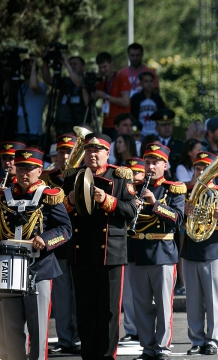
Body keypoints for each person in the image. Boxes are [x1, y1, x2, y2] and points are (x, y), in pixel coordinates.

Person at [62, 133, 137, 359]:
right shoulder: (71, 176)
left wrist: (106, 199)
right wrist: (70, 201)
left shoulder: (120, 176)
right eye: (88, 150)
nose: (92, 155)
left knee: (109, 311)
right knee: (84, 309)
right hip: (81, 250)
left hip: (110, 253)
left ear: (107, 153)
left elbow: (131, 212)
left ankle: (106, 356)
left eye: (97, 151)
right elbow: (56, 214)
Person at [0, 148, 71, 360]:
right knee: (10, 326)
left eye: (29, 169)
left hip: (39, 266)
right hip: (8, 265)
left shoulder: (50, 196)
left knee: (38, 326)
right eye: (20, 168)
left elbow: (65, 229)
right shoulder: (4, 196)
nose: (24, 174)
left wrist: (46, 240)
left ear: (39, 171)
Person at [129, 143, 185, 360]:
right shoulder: (134, 187)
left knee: (162, 305)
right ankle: (147, 347)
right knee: (141, 305)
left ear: (165, 165)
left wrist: (155, 204)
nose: (150, 167)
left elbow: (178, 219)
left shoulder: (174, 189)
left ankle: (162, 348)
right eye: (148, 162)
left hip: (162, 251)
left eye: (155, 163)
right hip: (137, 251)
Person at [181, 151, 218, 355]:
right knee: (193, 300)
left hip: (214, 251)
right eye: (198, 169)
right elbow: (174, 219)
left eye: (205, 169)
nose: (201, 173)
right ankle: (196, 340)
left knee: (213, 300)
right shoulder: (185, 191)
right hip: (191, 251)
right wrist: (184, 214)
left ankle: (213, 340)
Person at [42, 135, 82, 354]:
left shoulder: (84, 176)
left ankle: (78, 336)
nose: (65, 157)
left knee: (80, 293)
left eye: (69, 152)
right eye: (61, 152)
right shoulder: (47, 178)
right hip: (57, 243)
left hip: (79, 241)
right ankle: (65, 338)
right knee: (62, 295)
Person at [120, 158, 146, 344]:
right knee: (128, 294)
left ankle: (146, 329)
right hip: (127, 246)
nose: (132, 176)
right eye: (130, 172)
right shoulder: (123, 190)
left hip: (147, 248)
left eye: (136, 173)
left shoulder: (150, 190)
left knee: (146, 296)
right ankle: (130, 328)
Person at [43, 54, 85, 135]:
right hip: (61, 125)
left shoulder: (86, 81)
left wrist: (67, 64)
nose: (72, 66)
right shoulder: (65, 81)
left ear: (83, 67)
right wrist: (45, 61)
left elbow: (79, 84)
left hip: (77, 126)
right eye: (70, 63)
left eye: (75, 64)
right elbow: (48, 80)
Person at [94, 52, 131, 140]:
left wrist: (105, 96)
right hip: (106, 124)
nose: (102, 70)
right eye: (100, 67)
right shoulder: (101, 81)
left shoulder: (121, 77)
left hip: (120, 125)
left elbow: (125, 102)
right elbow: (88, 101)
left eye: (105, 67)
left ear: (111, 64)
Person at [16, 58, 47, 145]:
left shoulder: (42, 86)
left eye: (29, 67)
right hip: (20, 131)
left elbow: (33, 85)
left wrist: (33, 66)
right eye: (24, 67)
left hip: (35, 132)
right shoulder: (20, 87)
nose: (26, 68)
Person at [130, 71, 166, 137]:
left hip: (155, 133)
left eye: (151, 81)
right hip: (140, 133)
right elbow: (132, 115)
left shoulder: (157, 98)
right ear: (141, 83)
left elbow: (162, 114)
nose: (149, 84)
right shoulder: (136, 98)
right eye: (146, 81)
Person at [151, 108, 184, 174]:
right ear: (156, 127)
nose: (167, 127)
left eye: (169, 124)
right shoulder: (151, 143)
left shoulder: (180, 144)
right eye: (163, 125)